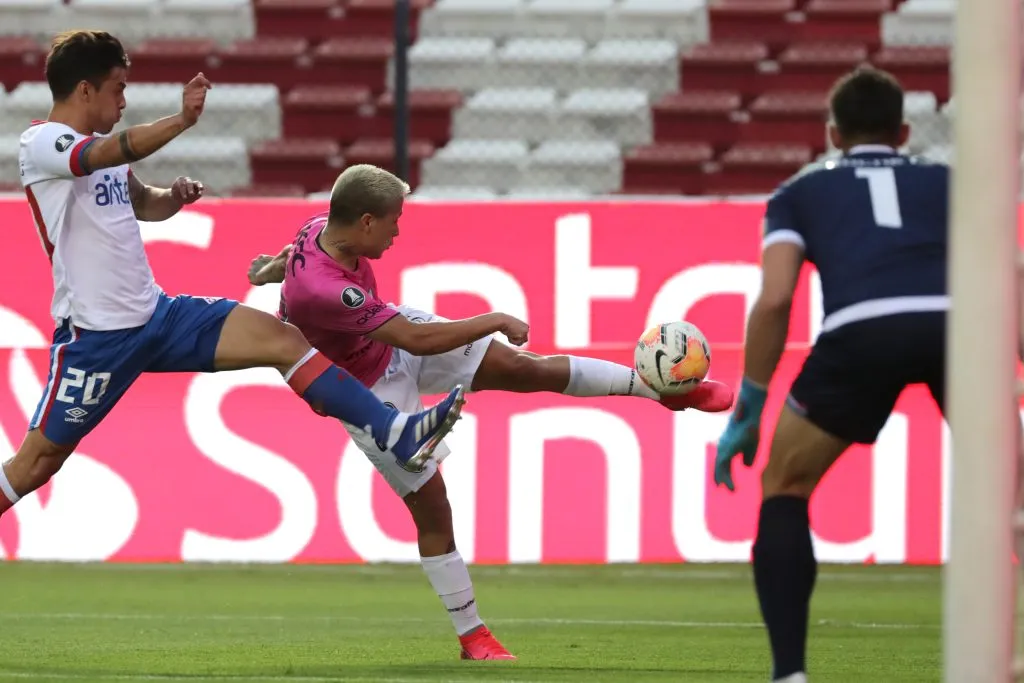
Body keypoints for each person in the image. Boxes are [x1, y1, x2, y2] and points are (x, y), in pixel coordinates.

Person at [247, 164, 735, 660]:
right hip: (366, 386)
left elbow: (297, 258)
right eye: (394, 220)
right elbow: (414, 337)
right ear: (367, 222)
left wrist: (269, 269)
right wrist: (493, 318)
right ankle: (472, 635)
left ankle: (667, 394)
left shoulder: (319, 227)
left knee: (526, 368)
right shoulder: (328, 290)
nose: (398, 231)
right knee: (432, 506)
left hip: (387, 335)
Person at [7, 30, 466, 524]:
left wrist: (173, 197)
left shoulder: (105, 156)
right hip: (96, 338)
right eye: (117, 87)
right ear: (83, 90)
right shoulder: (45, 143)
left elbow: (144, 203)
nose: (124, 99)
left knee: (282, 339)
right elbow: (96, 157)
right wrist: (182, 120)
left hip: (158, 317)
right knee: (35, 466)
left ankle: (394, 431)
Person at [713, 66, 950, 683]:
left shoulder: (798, 193)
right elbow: (1012, 271)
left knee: (786, 487)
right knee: (1017, 493)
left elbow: (775, 299)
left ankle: (790, 673)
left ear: (832, 134)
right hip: (959, 325)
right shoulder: (953, 182)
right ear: (903, 131)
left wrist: (750, 409)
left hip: (861, 330)